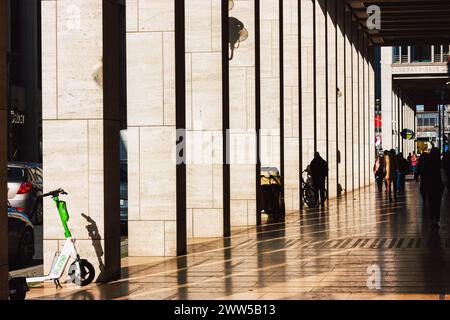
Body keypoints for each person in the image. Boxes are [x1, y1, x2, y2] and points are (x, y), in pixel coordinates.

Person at [425, 148, 444, 229]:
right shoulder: (439, 162)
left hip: (430, 185)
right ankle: (436, 219)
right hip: (438, 185)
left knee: (431, 203)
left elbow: (426, 174)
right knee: (437, 203)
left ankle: (432, 219)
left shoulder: (428, 162)